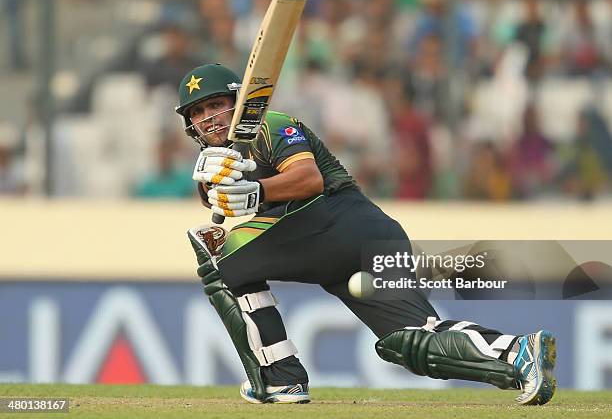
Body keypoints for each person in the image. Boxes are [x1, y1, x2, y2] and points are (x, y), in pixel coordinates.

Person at [174, 63, 557, 405]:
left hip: (336, 219)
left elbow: (309, 180)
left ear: (239, 101)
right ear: (191, 125)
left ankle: (278, 379)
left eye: (216, 104)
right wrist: (219, 187)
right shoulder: (215, 161)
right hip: (361, 239)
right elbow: (217, 204)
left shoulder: (269, 124)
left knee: (219, 257)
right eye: (199, 112)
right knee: (408, 343)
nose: (210, 117)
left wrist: (258, 190)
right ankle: (517, 353)